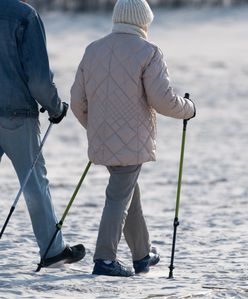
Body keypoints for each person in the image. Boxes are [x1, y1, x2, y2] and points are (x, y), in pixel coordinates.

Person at [71, 0, 196, 277]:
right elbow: (162, 100)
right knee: (119, 195)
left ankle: (142, 255)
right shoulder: (148, 52)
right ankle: (104, 259)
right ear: (143, 21)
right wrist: (189, 108)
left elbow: (77, 101)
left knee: (127, 191)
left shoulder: (93, 49)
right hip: (132, 140)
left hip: (103, 139)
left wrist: (97, 129)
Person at [0, 0, 85, 267]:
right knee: (34, 182)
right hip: (16, 114)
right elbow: (38, 77)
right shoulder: (24, 15)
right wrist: (55, 107)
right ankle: (52, 249)